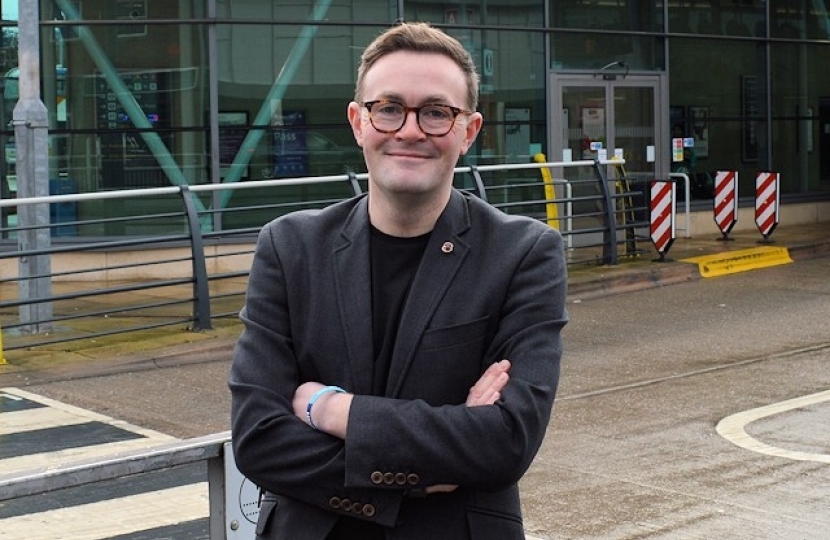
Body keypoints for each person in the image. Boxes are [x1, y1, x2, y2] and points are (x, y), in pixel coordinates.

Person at [229, 21, 568, 540]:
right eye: (388, 108)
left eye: (436, 112)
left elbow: (506, 442)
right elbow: (259, 438)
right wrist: (425, 468)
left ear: (469, 131)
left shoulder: (524, 253)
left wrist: (331, 409)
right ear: (358, 121)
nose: (409, 130)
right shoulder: (289, 248)